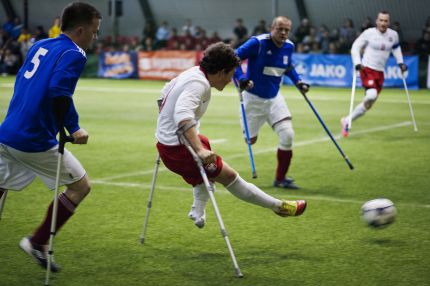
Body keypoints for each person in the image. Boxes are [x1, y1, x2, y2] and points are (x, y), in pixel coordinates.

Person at [156, 42, 306, 229]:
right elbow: (182, 115)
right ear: (220, 72)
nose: (230, 80)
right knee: (230, 177)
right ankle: (278, 207)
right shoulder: (198, 84)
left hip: (172, 143)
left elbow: (164, 92)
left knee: (206, 159)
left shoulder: (194, 72)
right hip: (178, 150)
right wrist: (199, 150)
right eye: (230, 74)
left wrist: (165, 124)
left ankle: (197, 210)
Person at [0, 2, 101, 272]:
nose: (95, 37)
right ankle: (38, 242)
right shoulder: (75, 53)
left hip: (7, 131)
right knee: (81, 186)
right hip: (32, 139)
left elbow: (23, 82)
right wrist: (74, 127)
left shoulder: (41, 44)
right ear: (81, 30)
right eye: (94, 31)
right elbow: (59, 90)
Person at [234, 16, 310, 190]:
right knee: (250, 140)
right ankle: (250, 133)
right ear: (271, 28)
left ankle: (280, 179)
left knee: (288, 135)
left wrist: (298, 81)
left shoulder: (289, 46)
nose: (283, 33)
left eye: (286, 30)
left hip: (275, 99)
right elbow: (234, 57)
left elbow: (288, 66)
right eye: (279, 29)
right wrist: (241, 79)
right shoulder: (258, 43)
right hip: (252, 100)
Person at [341, 11, 407, 137]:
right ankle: (347, 121)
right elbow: (355, 46)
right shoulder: (369, 33)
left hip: (380, 73)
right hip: (367, 69)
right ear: (377, 21)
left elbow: (396, 48)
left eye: (385, 21)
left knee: (368, 105)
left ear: (389, 22)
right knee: (371, 95)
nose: (383, 23)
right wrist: (357, 62)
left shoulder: (393, 35)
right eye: (381, 20)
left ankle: (347, 121)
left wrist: (400, 63)